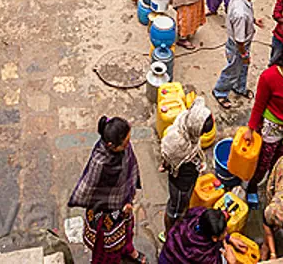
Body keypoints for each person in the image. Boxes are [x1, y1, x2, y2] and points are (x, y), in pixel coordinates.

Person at [69, 117, 145, 264]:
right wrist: (118, 207)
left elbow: (131, 167)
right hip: (105, 214)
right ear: (111, 145)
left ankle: (129, 250)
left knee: (127, 230)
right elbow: (88, 192)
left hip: (124, 203)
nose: (129, 145)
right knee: (109, 247)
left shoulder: (124, 147)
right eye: (126, 143)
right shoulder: (99, 163)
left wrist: (128, 198)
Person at [243, 42, 283, 203]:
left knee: (280, 159)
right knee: (263, 161)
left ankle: (272, 183)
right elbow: (259, 105)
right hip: (271, 128)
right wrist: (250, 128)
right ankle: (252, 187)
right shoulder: (268, 77)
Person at [160, 96, 213, 232]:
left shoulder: (187, 122)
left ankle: (178, 218)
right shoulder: (178, 143)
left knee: (182, 204)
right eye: (202, 132)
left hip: (189, 178)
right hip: (180, 183)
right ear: (196, 129)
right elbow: (168, 154)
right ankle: (168, 233)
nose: (201, 136)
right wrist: (166, 164)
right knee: (174, 209)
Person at [213, 0, 259, 109]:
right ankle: (220, 92)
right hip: (238, 45)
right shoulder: (241, 14)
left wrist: (253, 21)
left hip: (242, 42)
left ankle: (239, 87)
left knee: (243, 67)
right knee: (233, 69)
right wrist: (243, 54)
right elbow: (239, 40)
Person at [158, 208, 227, 264]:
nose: (226, 233)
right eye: (224, 232)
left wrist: (229, 238)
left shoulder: (197, 214)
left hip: (166, 256)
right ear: (214, 238)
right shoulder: (204, 255)